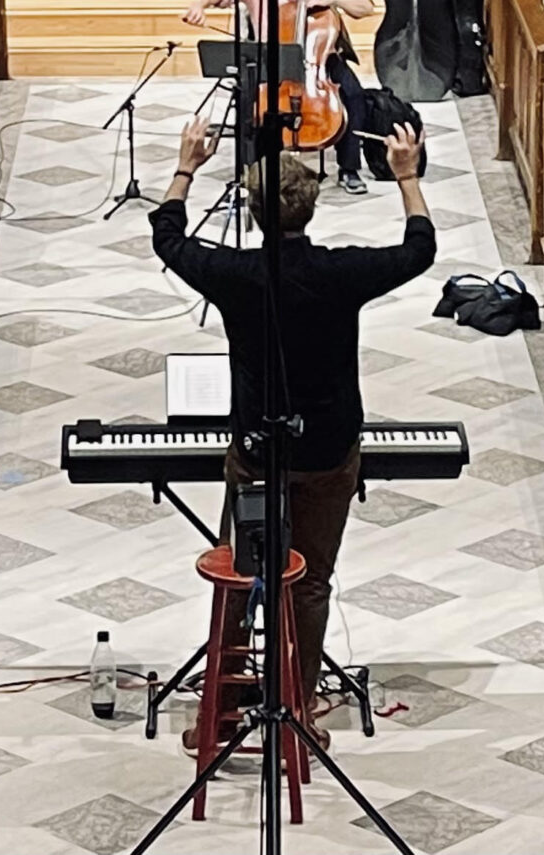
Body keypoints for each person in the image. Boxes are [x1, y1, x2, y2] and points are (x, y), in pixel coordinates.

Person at [151, 114, 434, 710]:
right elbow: (419, 248)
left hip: (257, 448)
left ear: (252, 213)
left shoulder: (235, 275)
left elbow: (168, 239)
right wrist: (405, 177)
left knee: (240, 571)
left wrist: (185, 168)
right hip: (328, 449)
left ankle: (222, 707)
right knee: (309, 583)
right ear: (310, 210)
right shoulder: (340, 273)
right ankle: (299, 708)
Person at [182, 0, 378, 194]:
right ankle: (255, 168)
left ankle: (350, 168)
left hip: (318, 58)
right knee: (249, 101)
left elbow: (365, 6)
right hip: (272, 57)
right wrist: (199, 3)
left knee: (354, 94)